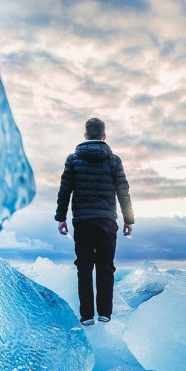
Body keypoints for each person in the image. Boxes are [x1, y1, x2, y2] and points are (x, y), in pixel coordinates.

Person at [55, 117, 134, 326]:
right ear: (104, 136)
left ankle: (87, 316)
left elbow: (65, 191)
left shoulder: (73, 159)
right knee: (106, 266)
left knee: (84, 267)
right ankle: (105, 313)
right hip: (107, 221)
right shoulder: (114, 160)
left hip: (82, 220)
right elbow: (123, 192)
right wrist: (129, 220)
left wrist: (61, 217)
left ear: (85, 135)